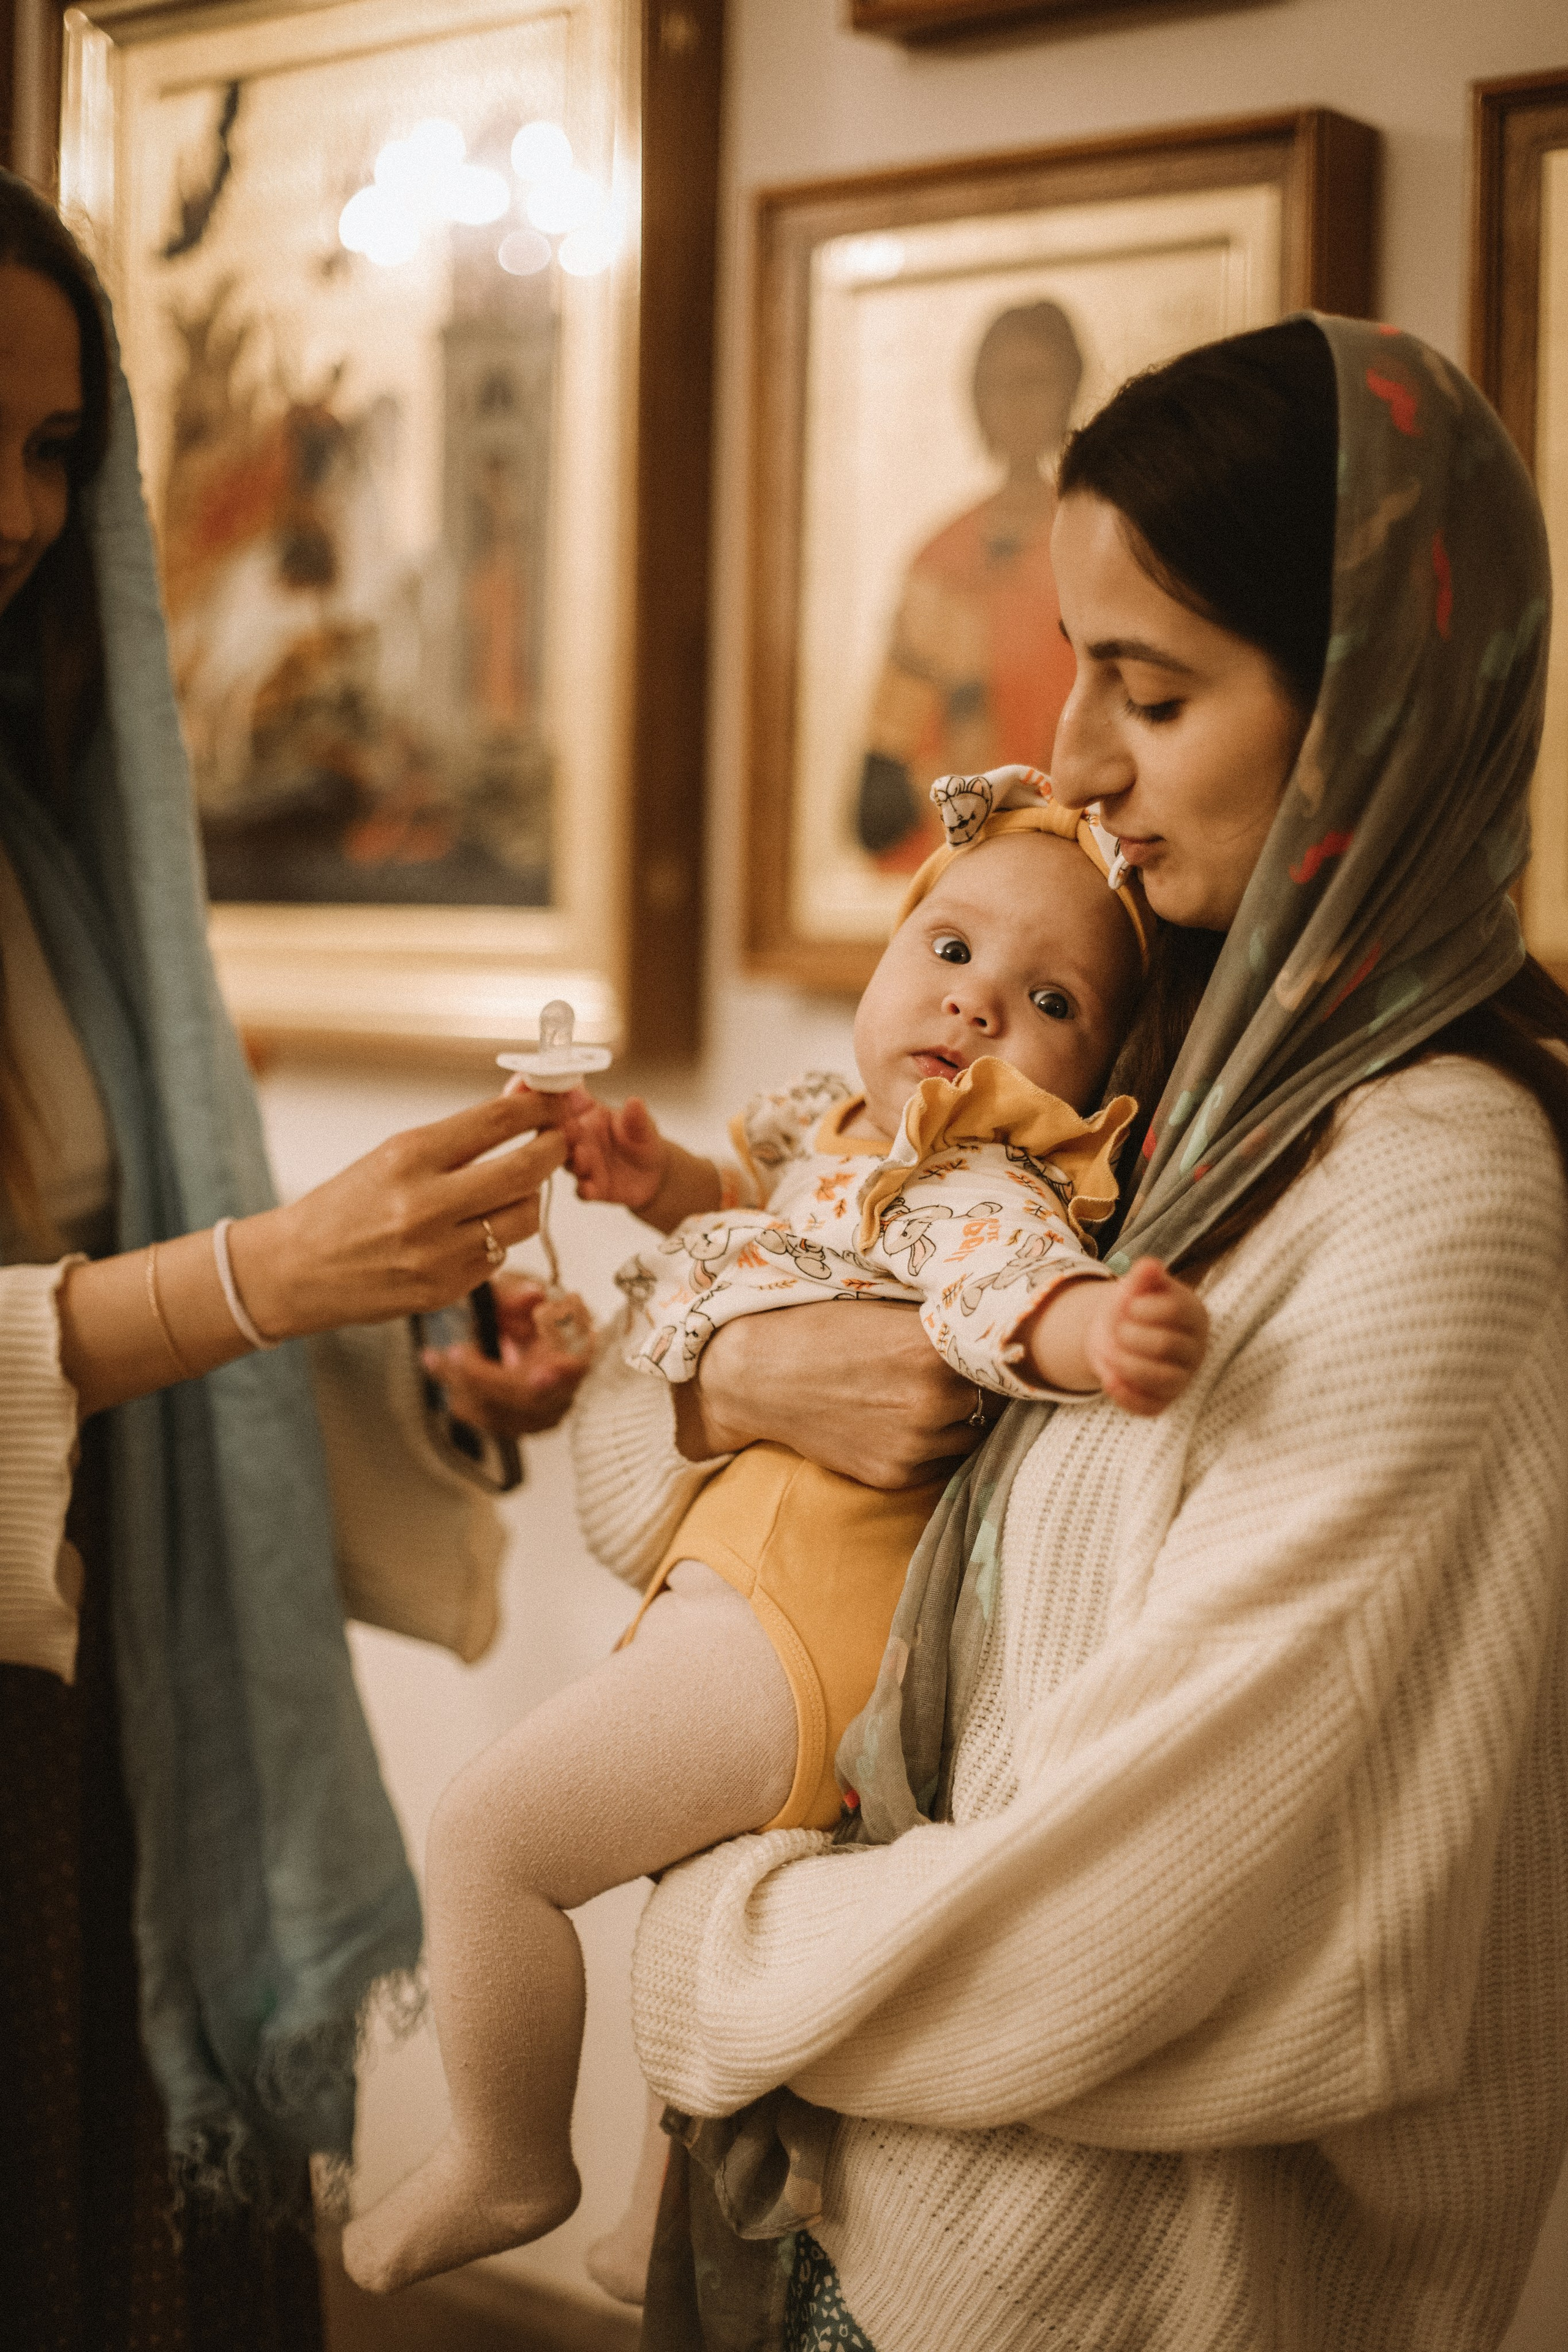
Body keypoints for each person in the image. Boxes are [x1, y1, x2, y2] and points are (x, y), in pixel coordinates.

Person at [572, 312, 1568, 2351]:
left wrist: (702, 1943)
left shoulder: (1429, 1195)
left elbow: (1174, 1909)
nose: (1083, 754)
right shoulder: (1142, 1082)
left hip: (1079, 2292)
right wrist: (733, 1372)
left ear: (1367, 705)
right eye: (1079, 665)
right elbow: (637, 1463)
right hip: (856, 2212)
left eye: (1156, 689)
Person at [339, 761, 1212, 2296]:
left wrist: (1096, 1331)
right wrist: (659, 1181)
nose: (975, 1003)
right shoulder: (840, 1136)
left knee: (490, 1839)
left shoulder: (977, 1177)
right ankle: (646, 2217)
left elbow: (1002, 1286)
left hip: (795, 1629)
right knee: (697, 1885)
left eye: (1049, 1000)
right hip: (753, 1604)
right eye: (949, 947)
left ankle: (503, 2155)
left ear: (1095, 1079)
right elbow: (757, 1199)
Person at [0, 172, 582, 2350]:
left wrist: (407, 1345)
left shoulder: (43, 840)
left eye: (58, 448)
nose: (21, 510)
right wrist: (263, 1277)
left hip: (94, 1709)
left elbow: (108, 1257)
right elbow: (175, 1286)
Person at [855, 299, 1084, 872]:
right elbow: (878, 797)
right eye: (999, 385)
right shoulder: (940, 559)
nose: (1017, 405)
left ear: (1068, 390)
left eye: (1035, 382)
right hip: (949, 860)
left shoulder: (1090, 543)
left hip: (1067, 852)